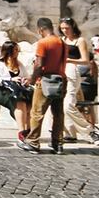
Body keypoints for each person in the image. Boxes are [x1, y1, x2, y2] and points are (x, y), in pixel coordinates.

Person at [17, 18, 67, 154]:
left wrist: (32, 80)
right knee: (58, 113)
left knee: (37, 113)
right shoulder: (61, 42)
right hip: (61, 80)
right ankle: (58, 143)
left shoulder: (43, 42)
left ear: (40, 29)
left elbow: (39, 65)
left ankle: (33, 142)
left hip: (45, 81)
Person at [60, 18, 99, 146]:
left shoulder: (80, 41)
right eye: (62, 28)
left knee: (68, 105)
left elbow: (85, 60)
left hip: (73, 71)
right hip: (61, 72)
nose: (64, 31)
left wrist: (68, 60)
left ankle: (91, 131)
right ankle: (70, 133)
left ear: (73, 27)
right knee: (61, 104)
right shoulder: (62, 40)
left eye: (66, 28)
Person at [0, 41, 33, 140]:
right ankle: (22, 131)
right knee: (19, 101)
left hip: (17, 89)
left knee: (29, 101)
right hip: (1, 90)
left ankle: (29, 129)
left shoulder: (19, 64)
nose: (18, 52)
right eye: (16, 50)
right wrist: (11, 79)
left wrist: (26, 80)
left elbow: (27, 76)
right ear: (9, 51)